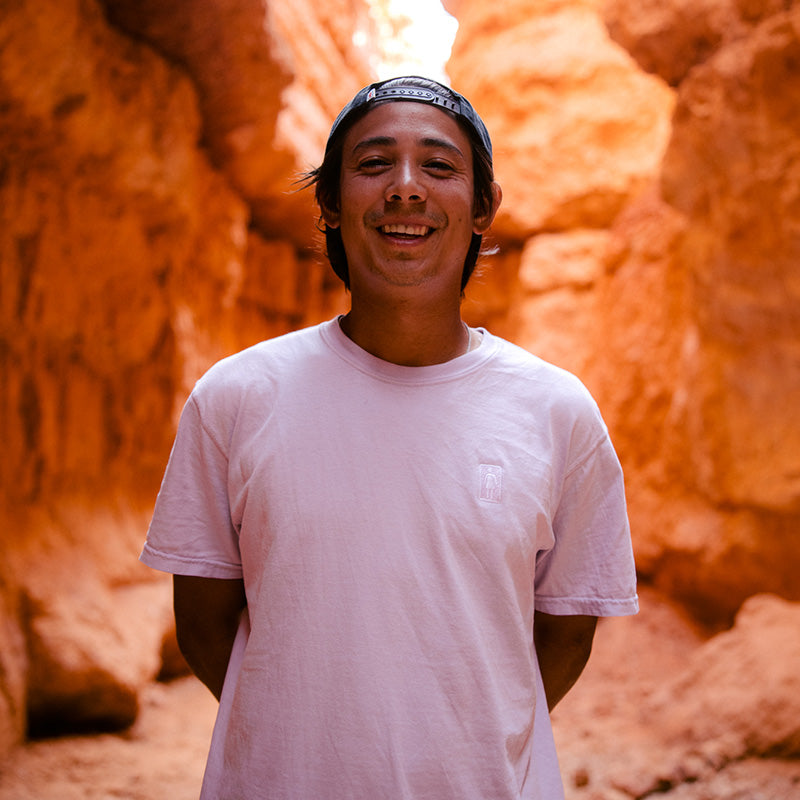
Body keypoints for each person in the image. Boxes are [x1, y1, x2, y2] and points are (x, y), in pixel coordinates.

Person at [141, 75, 638, 800]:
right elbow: (204, 624)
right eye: (375, 164)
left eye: (438, 166)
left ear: (482, 209)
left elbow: (564, 634)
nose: (406, 188)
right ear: (332, 204)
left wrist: (459, 733)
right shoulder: (237, 399)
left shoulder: (557, 413)